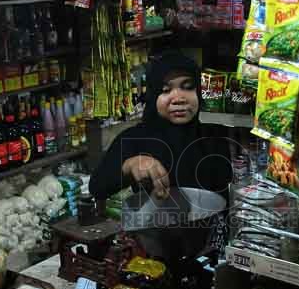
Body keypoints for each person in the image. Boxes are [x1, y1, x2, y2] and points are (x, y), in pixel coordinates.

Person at [89, 52, 233, 201]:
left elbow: (225, 194)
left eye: (188, 87)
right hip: (156, 222)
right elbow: (97, 188)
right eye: (165, 90)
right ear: (153, 96)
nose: (179, 99)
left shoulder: (213, 136)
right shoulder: (134, 139)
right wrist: (129, 166)